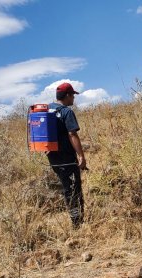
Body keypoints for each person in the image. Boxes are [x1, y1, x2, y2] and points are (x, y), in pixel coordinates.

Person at [48, 82, 87, 229]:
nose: (74, 99)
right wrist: (81, 156)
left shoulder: (47, 110)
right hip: (67, 159)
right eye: (73, 95)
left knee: (67, 189)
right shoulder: (66, 112)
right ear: (67, 95)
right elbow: (72, 134)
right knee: (73, 191)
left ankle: (76, 221)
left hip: (53, 159)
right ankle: (77, 224)